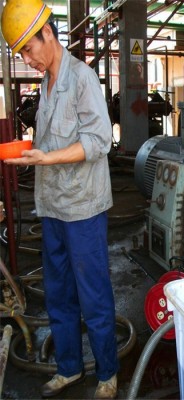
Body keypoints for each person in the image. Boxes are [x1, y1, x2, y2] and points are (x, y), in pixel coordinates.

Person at [1, 0, 119, 398]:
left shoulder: (82, 79)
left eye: (28, 50)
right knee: (58, 294)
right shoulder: (46, 86)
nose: (28, 59)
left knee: (94, 294)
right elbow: (53, 141)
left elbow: (99, 141)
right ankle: (69, 368)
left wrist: (45, 157)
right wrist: (31, 152)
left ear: (47, 34)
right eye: (21, 54)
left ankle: (107, 375)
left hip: (83, 209)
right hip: (52, 206)